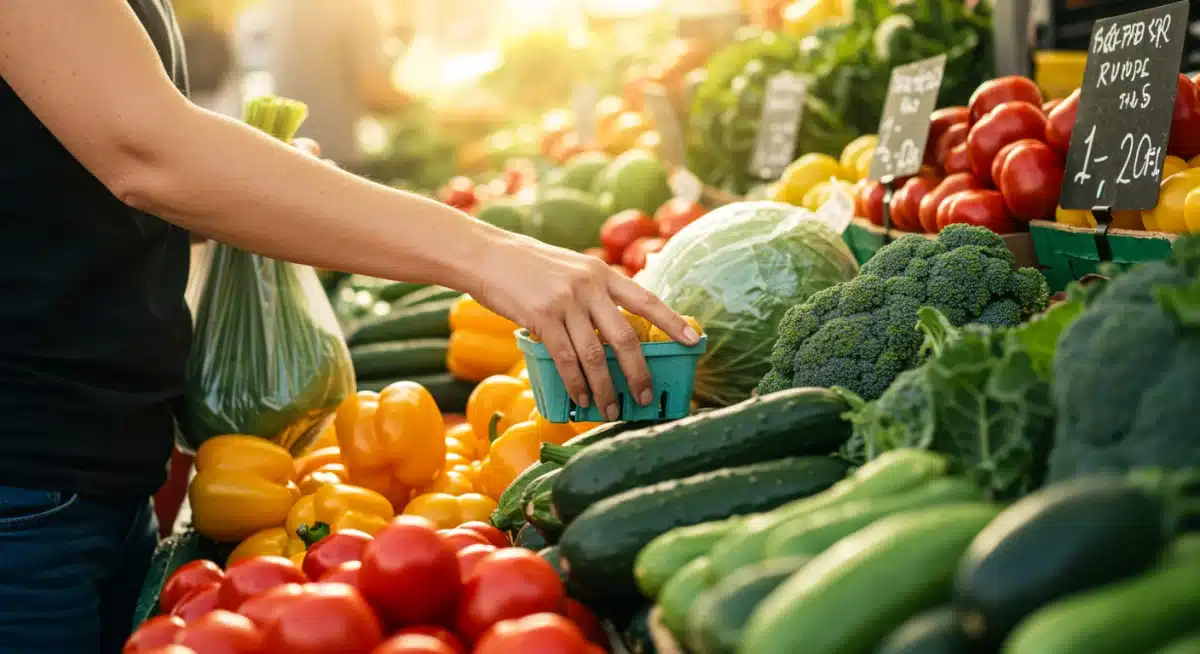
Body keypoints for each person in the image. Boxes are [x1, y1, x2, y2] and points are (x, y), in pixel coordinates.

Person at [0, 2, 698, 652]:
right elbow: (144, 149)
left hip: (94, 468)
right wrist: (487, 252)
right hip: (26, 485)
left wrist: (269, 192)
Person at [266, 0, 412, 170]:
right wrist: (421, 106)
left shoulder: (280, 5)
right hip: (333, 157)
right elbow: (375, 93)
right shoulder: (352, 6)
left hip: (283, 150)